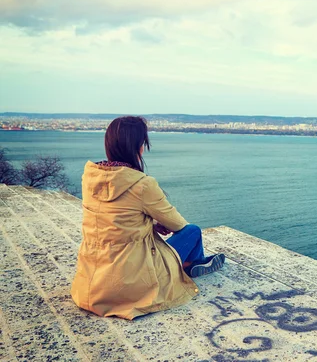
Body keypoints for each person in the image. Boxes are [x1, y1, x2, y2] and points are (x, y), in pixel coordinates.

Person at [71, 116, 225, 320]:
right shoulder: (142, 184)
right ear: (138, 146)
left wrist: (149, 222)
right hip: (129, 279)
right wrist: (156, 220)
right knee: (192, 231)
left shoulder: (91, 177)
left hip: (93, 281)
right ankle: (193, 264)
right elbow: (177, 224)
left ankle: (192, 264)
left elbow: (114, 219)